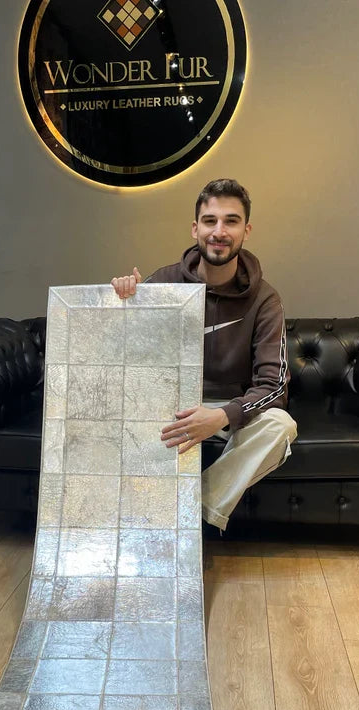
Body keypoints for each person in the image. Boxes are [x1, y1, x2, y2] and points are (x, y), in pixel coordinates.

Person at [111, 178, 297, 531]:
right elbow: (124, 357)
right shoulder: (162, 283)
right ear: (195, 228)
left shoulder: (265, 299)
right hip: (170, 408)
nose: (219, 231)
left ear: (246, 230)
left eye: (231, 221)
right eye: (210, 221)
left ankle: (191, 512)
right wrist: (125, 303)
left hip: (228, 410)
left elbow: (274, 387)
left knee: (281, 425)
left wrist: (221, 416)